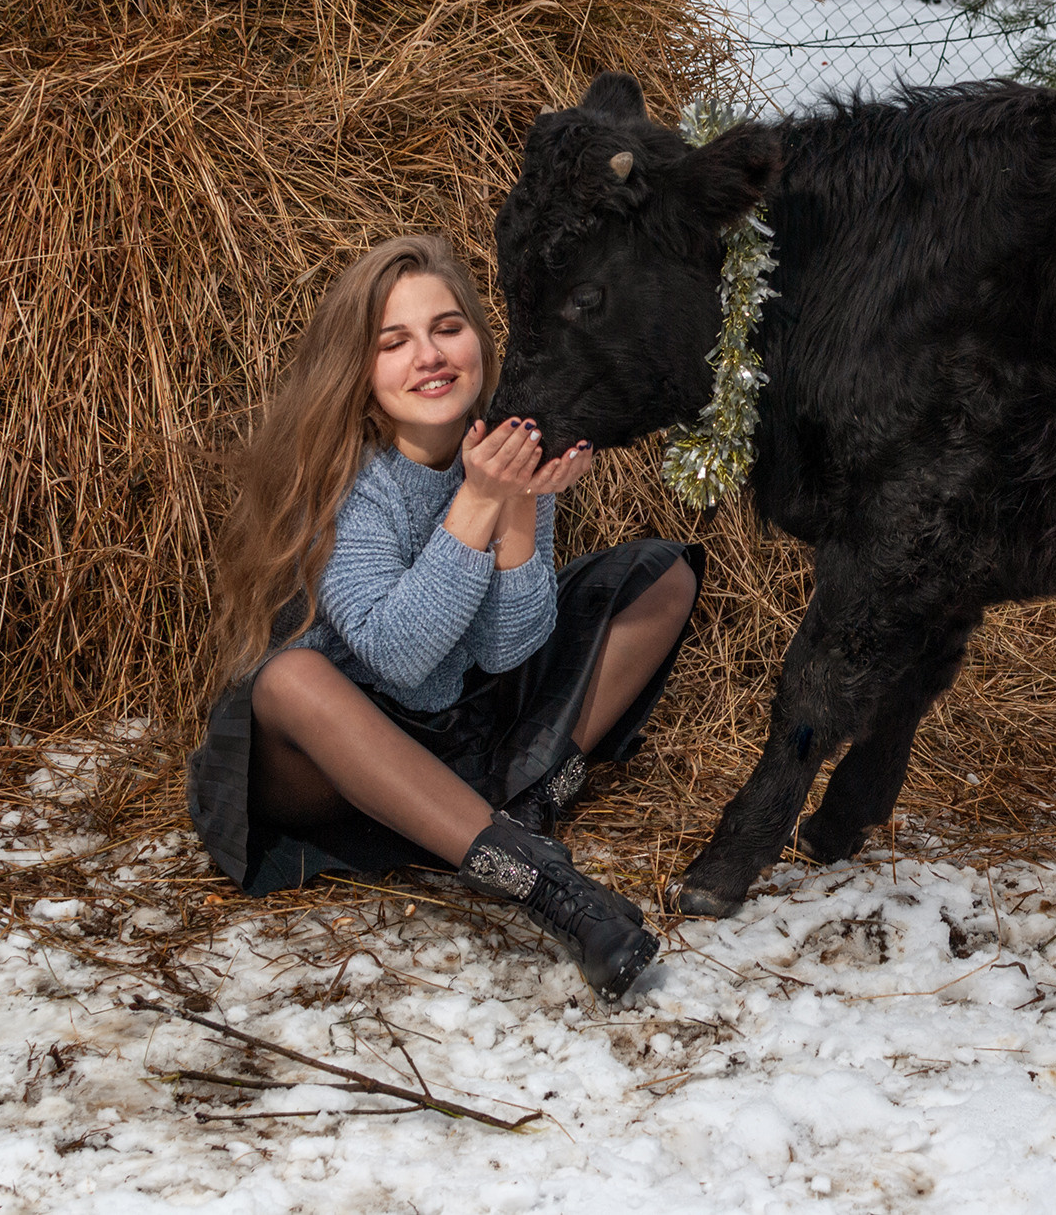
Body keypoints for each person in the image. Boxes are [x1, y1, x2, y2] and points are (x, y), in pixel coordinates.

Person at [187, 235, 700, 1000]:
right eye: (394, 342)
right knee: (288, 678)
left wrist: (521, 501)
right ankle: (542, 884)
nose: (428, 354)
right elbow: (403, 655)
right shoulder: (349, 484)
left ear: (482, 348)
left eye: (447, 328)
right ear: (361, 378)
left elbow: (507, 648)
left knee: (661, 574)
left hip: (466, 722)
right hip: (353, 755)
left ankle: (526, 805)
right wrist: (479, 501)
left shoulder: (502, 452)